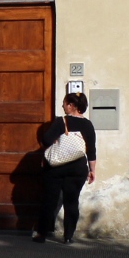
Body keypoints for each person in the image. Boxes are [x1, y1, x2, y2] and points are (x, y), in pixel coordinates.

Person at [34, 90, 96, 243]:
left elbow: (46, 139)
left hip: (56, 167)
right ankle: (68, 236)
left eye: (64, 103)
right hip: (78, 168)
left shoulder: (61, 121)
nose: (62, 106)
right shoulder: (88, 125)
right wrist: (92, 170)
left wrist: (54, 142)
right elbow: (91, 150)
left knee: (49, 200)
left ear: (71, 105)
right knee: (72, 201)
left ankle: (42, 234)